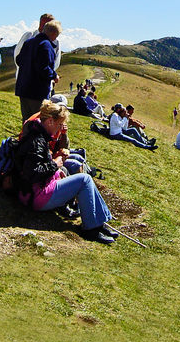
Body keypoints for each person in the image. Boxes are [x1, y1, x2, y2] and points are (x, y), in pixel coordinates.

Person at [22, 101, 118, 243]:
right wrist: (55, 165)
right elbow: (33, 173)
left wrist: (56, 171)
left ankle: (98, 223)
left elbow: (39, 168)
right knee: (84, 180)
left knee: (84, 179)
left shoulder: (39, 135)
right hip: (36, 196)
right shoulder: (36, 141)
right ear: (49, 121)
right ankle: (91, 229)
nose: (60, 128)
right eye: (59, 124)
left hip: (37, 191)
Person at [17, 17, 61, 120]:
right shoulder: (46, 46)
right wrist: (54, 75)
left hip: (23, 87)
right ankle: (32, 136)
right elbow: (44, 68)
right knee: (37, 119)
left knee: (26, 118)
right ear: (54, 34)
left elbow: (19, 60)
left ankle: (25, 135)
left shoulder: (29, 42)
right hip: (36, 91)